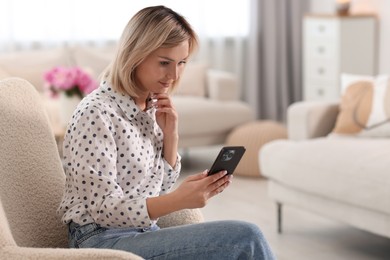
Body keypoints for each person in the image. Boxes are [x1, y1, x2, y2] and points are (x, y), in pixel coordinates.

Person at [57, 5, 275, 260]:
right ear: (135, 55)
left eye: (182, 63)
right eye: (164, 63)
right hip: (100, 240)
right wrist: (180, 200)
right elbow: (104, 210)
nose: (174, 75)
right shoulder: (96, 114)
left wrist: (171, 137)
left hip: (141, 232)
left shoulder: (151, 106)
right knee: (245, 238)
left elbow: (156, 189)